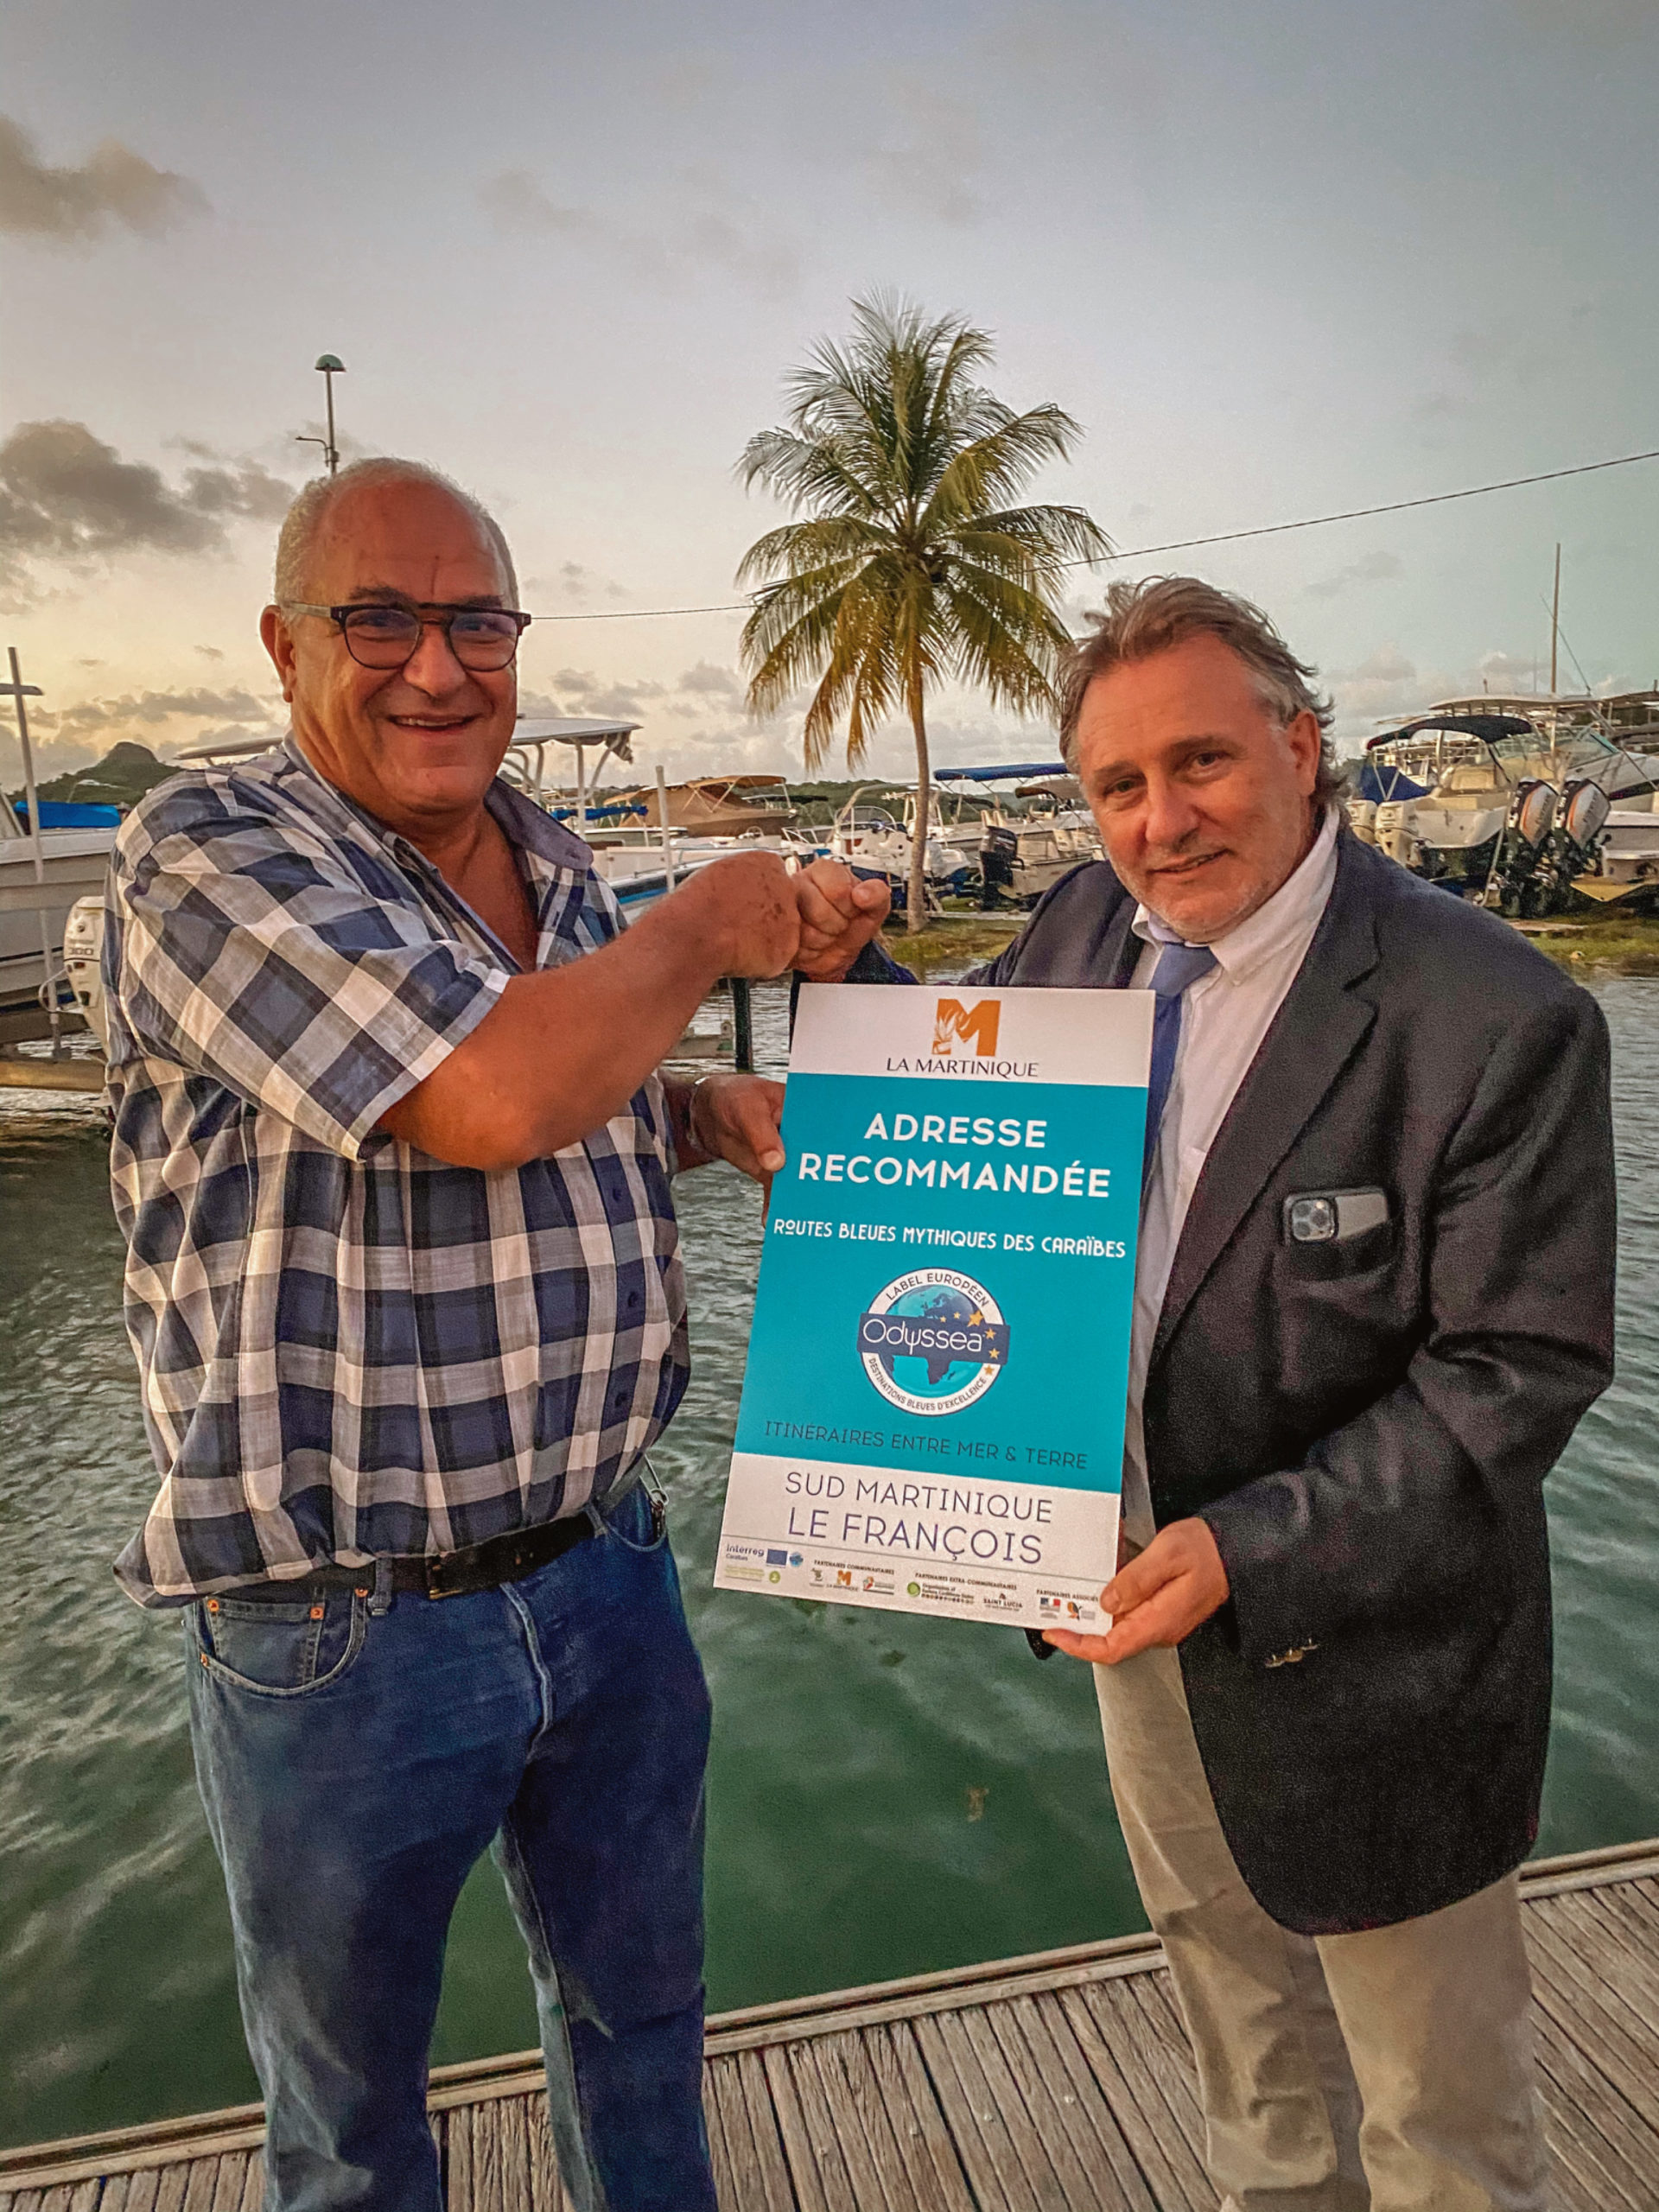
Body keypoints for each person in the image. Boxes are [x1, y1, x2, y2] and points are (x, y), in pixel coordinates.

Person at [791, 575, 1616, 2212]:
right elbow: (975, 1118)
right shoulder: (1088, 933)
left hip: (1383, 1665)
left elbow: (1515, 1374)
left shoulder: (1500, 1016)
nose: (1159, 824)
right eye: (1116, 786)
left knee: (1442, 2123)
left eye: (1202, 764)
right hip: (1124, 1594)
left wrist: (1250, 1547)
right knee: (1248, 2059)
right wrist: (857, 967)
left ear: (1304, 748)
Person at [104, 456, 804, 2212]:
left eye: (474, 619)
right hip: (343, 1627)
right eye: (381, 620)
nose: (437, 665)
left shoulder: (560, 865)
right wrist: (712, 919)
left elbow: (575, 1092)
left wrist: (704, 1107)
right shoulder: (209, 851)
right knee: (352, 2125)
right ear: (284, 645)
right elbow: (487, 1091)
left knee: (645, 2019)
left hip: (609, 1567)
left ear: (517, 637)